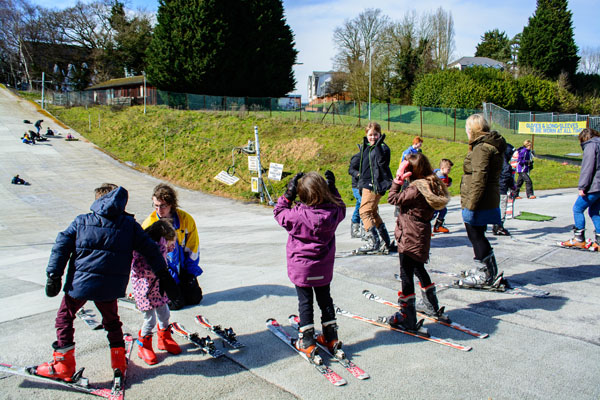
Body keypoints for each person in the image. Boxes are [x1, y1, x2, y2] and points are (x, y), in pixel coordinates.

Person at [35, 183, 179, 382]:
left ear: (98, 201)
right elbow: (150, 249)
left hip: (80, 284)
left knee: (65, 318)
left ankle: (63, 364)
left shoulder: (82, 221)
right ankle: (118, 361)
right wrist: (164, 275)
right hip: (109, 288)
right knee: (112, 322)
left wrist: (53, 275)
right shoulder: (129, 226)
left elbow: (61, 245)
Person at [274, 171, 346, 358]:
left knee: (305, 302)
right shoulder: (332, 213)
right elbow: (342, 207)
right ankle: (331, 337)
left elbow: (279, 212)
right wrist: (334, 189)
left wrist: (288, 195)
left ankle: (307, 340)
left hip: (302, 268)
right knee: (325, 299)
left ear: (301, 194)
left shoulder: (296, 216)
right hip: (323, 267)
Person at [382, 153, 450, 335]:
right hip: (421, 233)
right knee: (419, 268)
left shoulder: (416, 189)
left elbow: (393, 199)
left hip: (410, 234)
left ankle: (408, 317)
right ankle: (432, 305)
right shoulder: (432, 182)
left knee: (406, 274)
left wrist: (397, 178)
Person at [459, 114, 506, 287]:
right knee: (479, 235)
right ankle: (486, 269)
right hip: (486, 198)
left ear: (472, 129)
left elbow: (480, 178)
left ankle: (485, 274)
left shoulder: (482, 148)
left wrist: (471, 205)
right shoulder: (488, 145)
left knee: (476, 236)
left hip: (479, 200)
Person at [142, 183, 203, 309]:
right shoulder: (149, 223)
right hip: (163, 271)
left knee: (194, 298)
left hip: (182, 266)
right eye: (156, 206)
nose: (159, 210)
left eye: (163, 206)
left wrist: (191, 273)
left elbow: (193, 248)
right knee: (176, 304)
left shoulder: (186, 219)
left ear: (171, 204)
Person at [132, 220, 182, 365]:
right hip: (145, 291)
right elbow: (148, 267)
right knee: (150, 320)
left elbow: (170, 251)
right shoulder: (145, 249)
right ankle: (144, 346)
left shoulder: (161, 248)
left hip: (158, 288)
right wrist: (163, 249)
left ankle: (164, 338)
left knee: (165, 314)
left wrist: (169, 246)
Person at [348, 122, 394, 254]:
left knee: (364, 212)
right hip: (366, 183)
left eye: (375, 134)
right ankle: (385, 240)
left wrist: (379, 145)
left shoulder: (383, 148)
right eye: (370, 135)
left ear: (379, 134)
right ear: (366, 135)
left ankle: (373, 242)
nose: (373, 137)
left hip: (374, 185)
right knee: (373, 213)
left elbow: (381, 163)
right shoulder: (367, 148)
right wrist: (360, 178)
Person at [559, 128, 600, 251]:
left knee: (578, 209)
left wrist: (582, 187)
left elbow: (588, 168)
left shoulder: (591, 146)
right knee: (594, 212)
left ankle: (578, 239)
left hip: (594, 186)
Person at [493, 142, 516, 236]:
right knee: (502, 206)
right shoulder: (505, 164)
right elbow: (507, 175)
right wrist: (512, 185)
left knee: (495, 206)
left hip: (494, 187)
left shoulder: (496, 160)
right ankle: (499, 226)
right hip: (502, 188)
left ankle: (495, 224)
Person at [432, 159, 453, 233]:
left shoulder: (445, 176)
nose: (449, 171)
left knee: (443, 210)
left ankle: (438, 226)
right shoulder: (437, 177)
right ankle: (425, 229)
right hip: (435, 199)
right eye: (448, 169)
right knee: (432, 214)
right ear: (442, 168)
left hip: (441, 199)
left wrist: (448, 183)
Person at [348, 149, 363, 238]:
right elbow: (351, 170)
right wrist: (358, 174)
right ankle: (365, 229)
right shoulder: (357, 157)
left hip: (364, 185)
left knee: (359, 206)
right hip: (357, 186)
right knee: (363, 205)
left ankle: (355, 228)